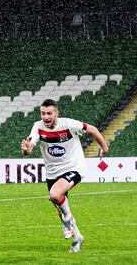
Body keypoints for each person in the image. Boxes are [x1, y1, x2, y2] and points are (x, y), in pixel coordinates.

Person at [20, 98, 108, 253]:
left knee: (55, 195)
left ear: (56, 113)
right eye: (42, 113)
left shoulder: (68, 124)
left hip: (74, 168)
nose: (45, 117)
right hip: (52, 173)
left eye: (49, 113)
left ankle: (67, 221)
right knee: (59, 205)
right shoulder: (38, 127)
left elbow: (92, 129)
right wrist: (26, 150)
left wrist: (104, 147)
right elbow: (31, 145)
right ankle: (77, 238)